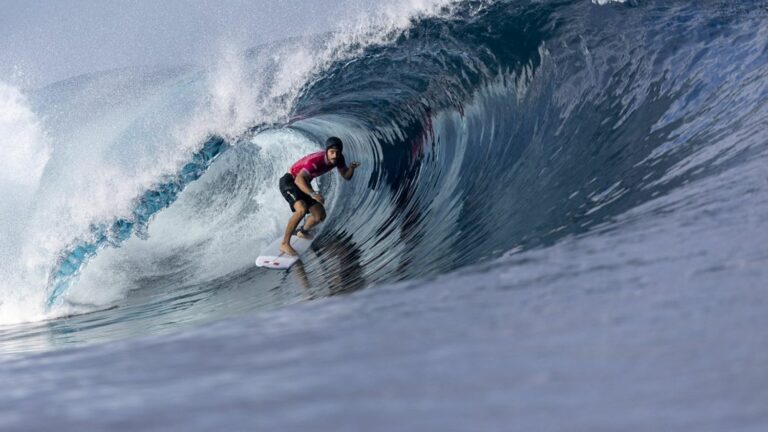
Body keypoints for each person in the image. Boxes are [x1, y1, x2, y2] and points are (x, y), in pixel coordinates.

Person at [278, 137, 360, 256]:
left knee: (319, 215)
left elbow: (346, 176)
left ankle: (302, 231)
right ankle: (284, 243)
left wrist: (351, 168)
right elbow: (299, 180)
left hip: (304, 183)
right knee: (301, 209)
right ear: (326, 151)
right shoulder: (315, 161)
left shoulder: (339, 159)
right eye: (332, 152)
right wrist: (313, 194)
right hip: (290, 181)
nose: (335, 155)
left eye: (337, 152)